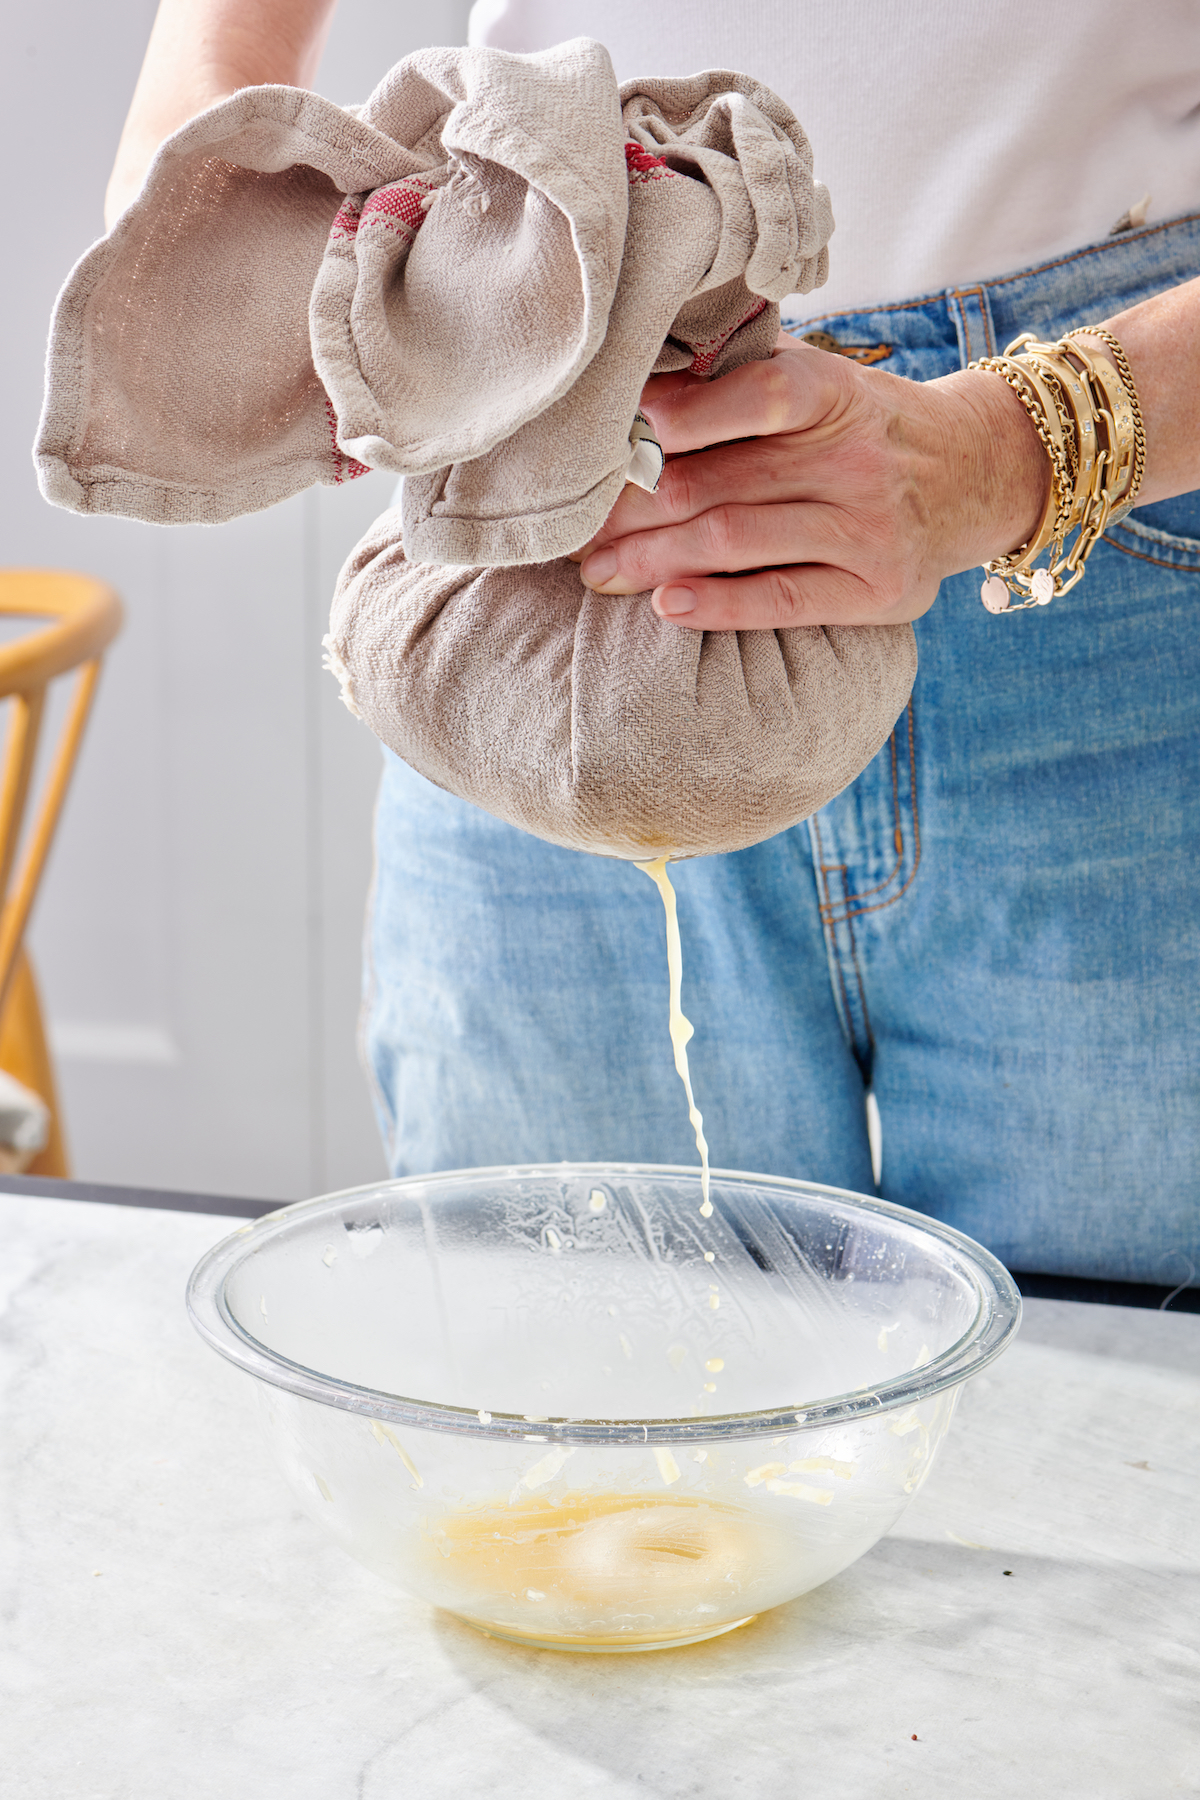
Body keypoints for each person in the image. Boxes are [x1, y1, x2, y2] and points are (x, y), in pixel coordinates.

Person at [104, 0, 1200, 1288]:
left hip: (1114, 546)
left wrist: (1009, 450)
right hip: (540, 620)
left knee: (1114, 1385)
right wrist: (331, 270)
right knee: (559, 1367)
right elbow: (206, 82)